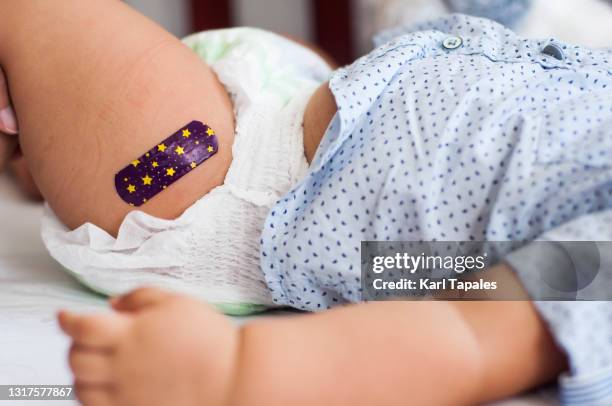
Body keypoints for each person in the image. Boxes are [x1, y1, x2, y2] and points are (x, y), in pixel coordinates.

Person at [2, 1, 611, 404]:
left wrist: (233, 373)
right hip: (306, 82)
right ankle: (46, 146)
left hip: (219, 180)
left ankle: (64, 145)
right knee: (48, 95)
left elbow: (467, 332)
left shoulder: (599, 261)